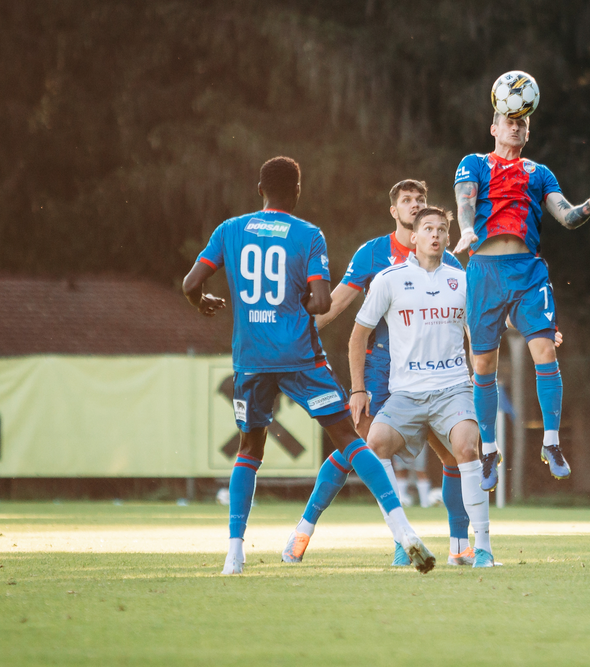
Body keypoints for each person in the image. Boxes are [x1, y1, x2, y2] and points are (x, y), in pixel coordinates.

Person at [182, 157, 434, 575]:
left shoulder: (229, 230)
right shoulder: (308, 235)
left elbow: (191, 284)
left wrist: (202, 302)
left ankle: (234, 555)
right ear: (297, 192)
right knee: (351, 441)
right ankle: (405, 532)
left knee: (249, 451)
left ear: (259, 189)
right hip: (300, 355)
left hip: (252, 358)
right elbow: (320, 302)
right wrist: (296, 300)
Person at [281, 179, 475, 567]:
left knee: (454, 456)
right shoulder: (373, 254)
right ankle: (305, 531)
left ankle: (460, 547)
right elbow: (335, 305)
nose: (416, 206)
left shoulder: (447, 261)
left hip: (432, 376)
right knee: (356, 445)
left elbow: (466, 322)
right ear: (394, 211)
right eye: (407, 201)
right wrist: (289, 339)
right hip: (380, 367)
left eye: (421, 200)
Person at [453, 111, 590, 491]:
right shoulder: (473, 163)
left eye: (523, 122)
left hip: (528, 270)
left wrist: (587, 205)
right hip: (484, 270)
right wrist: (467, 229)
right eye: (509, 120)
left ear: (528, 132)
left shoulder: (539, 173)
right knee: (484, 362)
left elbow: (568, 217)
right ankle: (489, 448)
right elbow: (465, 204)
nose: (516, 126)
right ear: (493, 128)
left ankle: (551, 443)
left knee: (545, 350)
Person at [350, 206, 497, 568]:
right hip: (406, 394)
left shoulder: (462, 280)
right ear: (413, 237)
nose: (435, 235)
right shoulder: (389, 278)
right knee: (375, 444)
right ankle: (403, 538)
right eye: (428, 228)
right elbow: (358, 335)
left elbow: (478, 335)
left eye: (442, 230)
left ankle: (483, 548)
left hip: (453, 389)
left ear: (449, 238)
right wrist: (357, 389)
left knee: (466, 448)